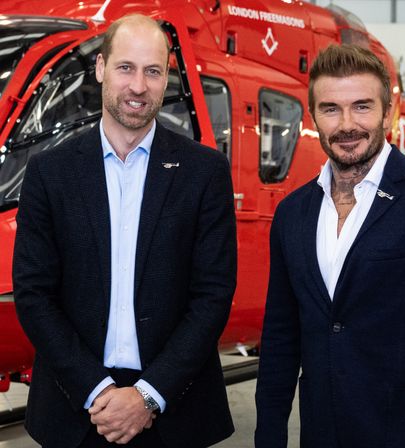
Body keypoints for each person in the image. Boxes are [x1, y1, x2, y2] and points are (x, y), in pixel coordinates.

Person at [13, 14, 237, 448]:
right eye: (125, 68)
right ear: (100, 68)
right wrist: (97, 391)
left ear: (167, 77)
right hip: (76, 412)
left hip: (174, 412)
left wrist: (148, 396)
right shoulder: (49, 173)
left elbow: (212, 296)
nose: (138, 86)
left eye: (153, 71)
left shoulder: (204, 172)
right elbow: (33, 293)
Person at [255, 43, 405, 448]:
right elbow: (280, 338)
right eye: (331, 109)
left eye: (362, 106)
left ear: (387, 113)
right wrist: (269, 436)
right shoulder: (293, 214)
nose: (347, 125)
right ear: (313, 117)